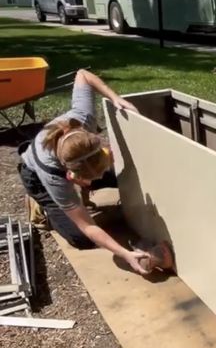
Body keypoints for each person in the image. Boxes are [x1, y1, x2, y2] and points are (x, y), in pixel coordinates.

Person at [18, 68, 165, 276]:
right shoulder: (53, 178)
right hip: (36, 178)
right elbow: (88, 227)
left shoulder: (83, 117)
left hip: (75, 165)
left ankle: (87, 189)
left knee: (122, 177)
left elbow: (82, 74)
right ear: (73, 176)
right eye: (89, 179)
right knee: (81, 238)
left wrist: (115, 98)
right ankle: (42, 208)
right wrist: (124, 253)